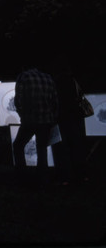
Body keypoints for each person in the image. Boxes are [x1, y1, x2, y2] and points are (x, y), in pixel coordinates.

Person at [13, 62, 58, 185]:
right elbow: (55, 101)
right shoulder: (48, 77)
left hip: (30, 119)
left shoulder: (24, 76)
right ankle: (42, 178)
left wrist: (22, 115)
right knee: (42, 148)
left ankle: (22, 176)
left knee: (18, 145)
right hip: (46, 121)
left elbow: (18, 100)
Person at [51, 56, 88, 185]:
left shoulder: (55, 81)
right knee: (76, 146)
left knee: (62, 147)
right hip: (75, 116)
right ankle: (81, 175)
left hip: (61, 117)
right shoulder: (72, 80)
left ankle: (64, 177)